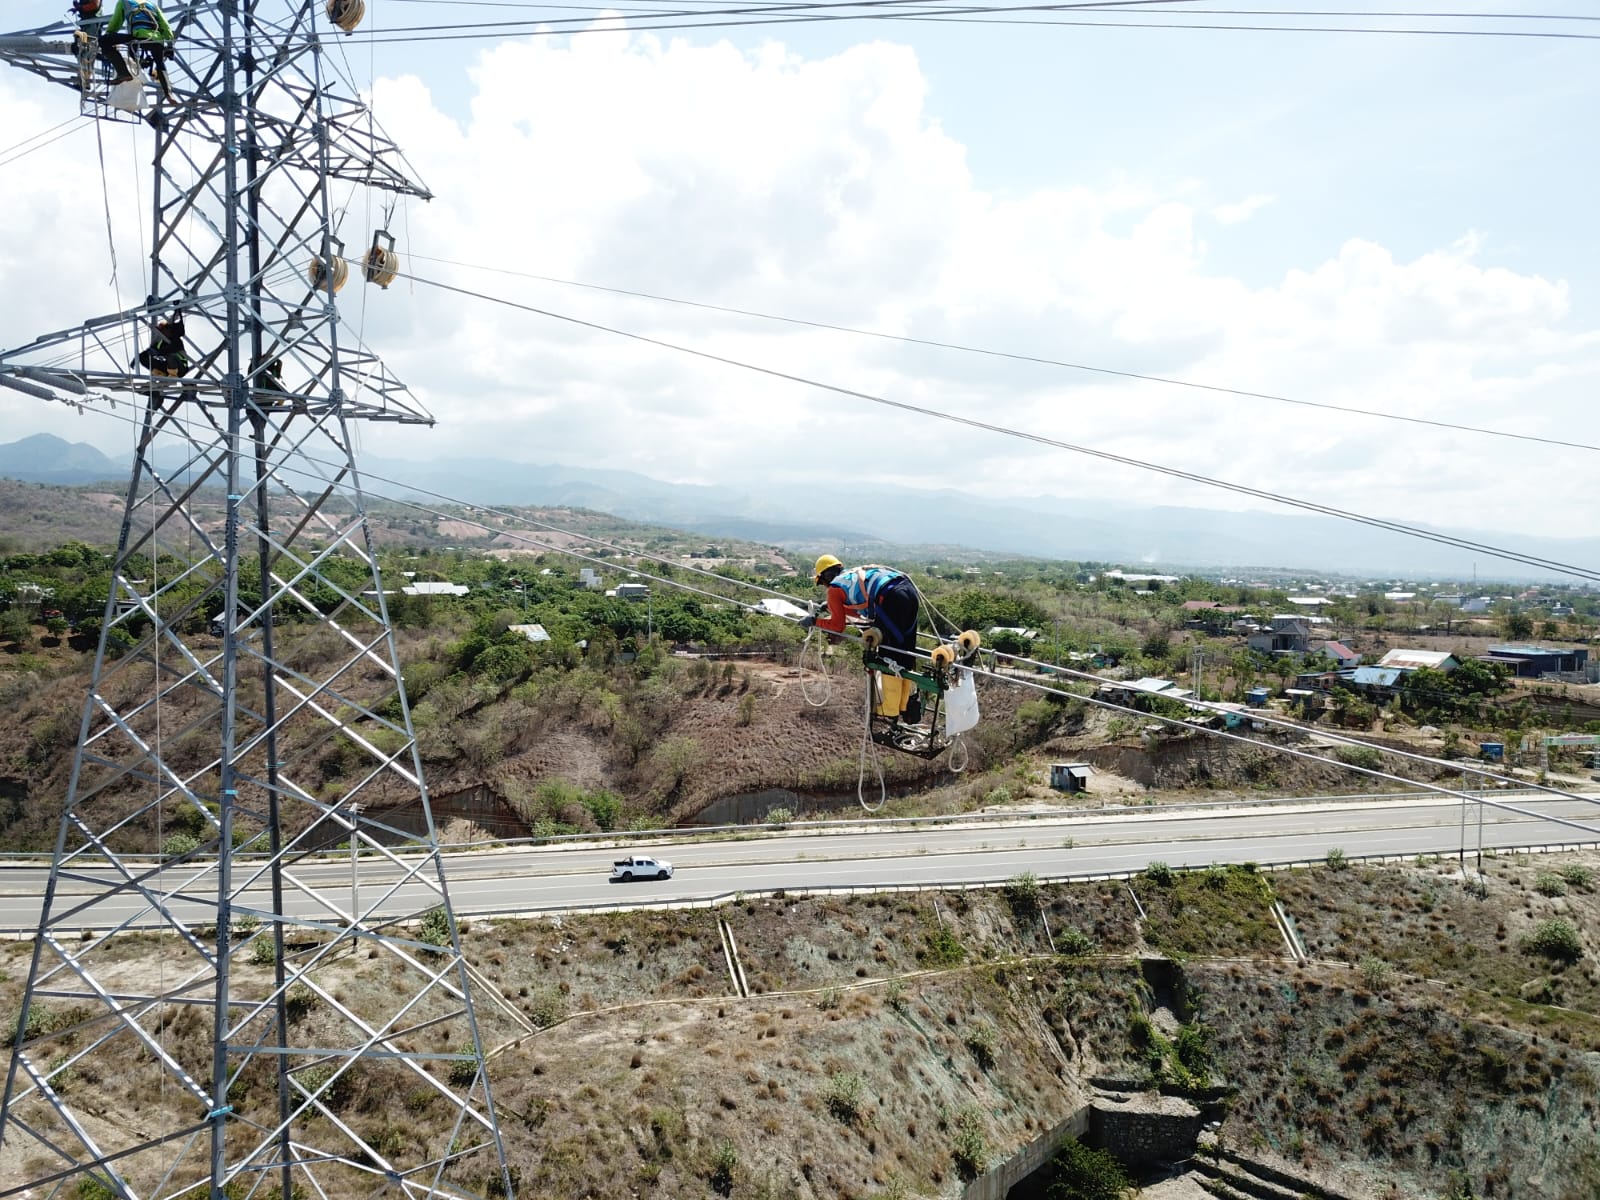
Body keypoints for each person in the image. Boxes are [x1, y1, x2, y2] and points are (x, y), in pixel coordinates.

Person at [98, 0, 174, 85]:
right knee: (159, 62)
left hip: (137, 37)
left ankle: (123, 73)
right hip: (156, 40)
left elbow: (115, 23)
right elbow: (165, 25)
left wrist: (109, 36)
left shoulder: (124, 2)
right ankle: (168, 93)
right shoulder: (152, 5)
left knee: (103, 41)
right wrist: (170, 45)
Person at [137, 311, 190, 377]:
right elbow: (151, 350)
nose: (162, 332)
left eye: (164, 329)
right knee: (143, 357)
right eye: (161, 330)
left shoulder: (175, 339)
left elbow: (172, 348)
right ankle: (160, 373)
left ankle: (173, 375)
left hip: (180, 367)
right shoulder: (160, 343)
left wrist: (158, 352)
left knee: (171, 356)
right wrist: (140, 357)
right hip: (168, 367)